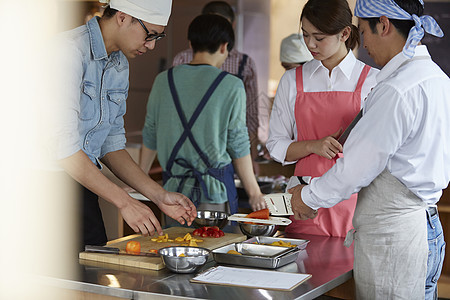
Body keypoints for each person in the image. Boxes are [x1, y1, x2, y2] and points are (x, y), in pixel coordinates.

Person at [290, 0, 448, 298]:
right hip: (426, 224)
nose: (362, 45)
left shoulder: (396, 89)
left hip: (395, 235)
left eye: (362, 32)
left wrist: (309, 197)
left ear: (384, 25)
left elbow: (357, 167)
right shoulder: (437, 78)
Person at [53, 0, 197, 248]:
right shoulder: (65, 52)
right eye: (149, 34)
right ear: (122, 17)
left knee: (91, 275)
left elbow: (111, 143)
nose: (151, 45)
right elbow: (61, 146)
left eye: (157, 38)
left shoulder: (119, 65)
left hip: (83, 185)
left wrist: (158, 195)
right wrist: (125, 201)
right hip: (41, 191)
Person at [266, 0, 378, 238]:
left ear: (345, 33)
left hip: (354, 201)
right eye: (305, 35)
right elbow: (276, 146)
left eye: (319, 37)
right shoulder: (292, 80)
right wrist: (313, 146)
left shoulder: (373, 81)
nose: (310, 44)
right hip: (303, 200)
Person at [139, 14, 266, 222]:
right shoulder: (231, 85)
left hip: (172, 195)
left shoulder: (163, 81)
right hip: (214, 194)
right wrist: (254, 193)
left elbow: (150, 133)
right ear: (225, 47)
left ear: (191, 44)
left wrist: (140, 180)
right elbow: (238, 143)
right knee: (216, 251)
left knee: (177, 249)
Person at [172, 1, 260, 174]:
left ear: (232, 26)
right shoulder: (182, 60)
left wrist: (252, 156)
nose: (215, 33)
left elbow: (251, 114)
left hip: (231, 152)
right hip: (187, 150)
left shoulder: (245, 63)